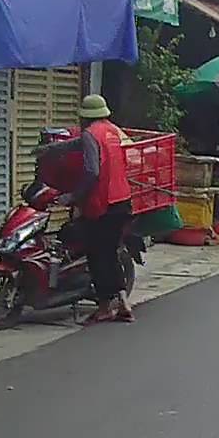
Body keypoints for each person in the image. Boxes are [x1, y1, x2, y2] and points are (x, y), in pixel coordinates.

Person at [62, 95, 135, 324]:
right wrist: (53, 149)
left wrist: (73, 196)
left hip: (103, 204)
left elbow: (92, 171)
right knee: (110, 252)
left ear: (85, 116)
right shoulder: (113, 131)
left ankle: (104, 308)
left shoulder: (90, 133)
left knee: (97, 255)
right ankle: (123, 302)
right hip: (123, 200)